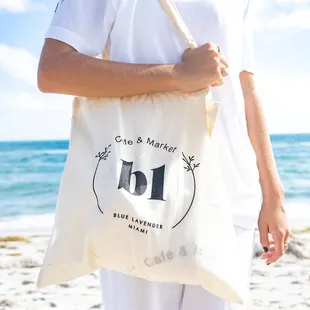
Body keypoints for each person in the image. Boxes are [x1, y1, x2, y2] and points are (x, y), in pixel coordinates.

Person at [37, 0, 290, 309]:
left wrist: (273, 192)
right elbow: (53, 70)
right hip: (140, 197)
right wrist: (177, 75)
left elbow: (246, 87)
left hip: (229, 197)